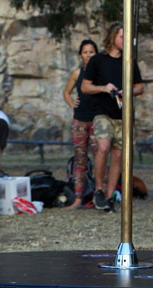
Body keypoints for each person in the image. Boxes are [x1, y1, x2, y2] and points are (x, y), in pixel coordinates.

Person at [81, 22, 144, 210]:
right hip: (102, 113)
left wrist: (128, 91)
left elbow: (140, 87)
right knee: (103, 145)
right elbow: (85, 87)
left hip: (123, 116)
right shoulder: (97, 61)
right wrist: (103, 88)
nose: (125, 41)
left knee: (118, 156)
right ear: (112, 37)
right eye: (122, 36)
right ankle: (98, 189)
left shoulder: (129, 61)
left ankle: (109, 197)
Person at [63, 38, 99, 210]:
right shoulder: (77, 73)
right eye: (85, 52)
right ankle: (78, 199)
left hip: (98, 121)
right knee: (80, 161)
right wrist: (71, 103)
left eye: (92, 51)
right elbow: (66, 92)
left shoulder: (101, 73)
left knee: (100, 158)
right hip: (79, 121)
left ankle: (103, 195)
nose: (88, 55)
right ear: (81, 55)